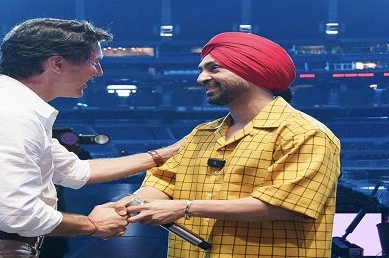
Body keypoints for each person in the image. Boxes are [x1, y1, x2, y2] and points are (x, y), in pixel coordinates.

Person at [0, 18, 183, 258]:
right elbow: (15, 213)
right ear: (57, 63)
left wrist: (164, 155)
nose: (98, 71)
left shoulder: (14, 107)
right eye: (94, 61)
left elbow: (75, 171)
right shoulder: (8, 113)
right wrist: (92, 225)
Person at [117, 32, 341, 258]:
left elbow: (285, 205)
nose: (201, 78)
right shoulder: (201, 133)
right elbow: (163, 181)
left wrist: (184, 207)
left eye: (214, 69)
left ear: (252, 71)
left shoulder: (306, 133)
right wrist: (132, 204)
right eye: (202, 70)